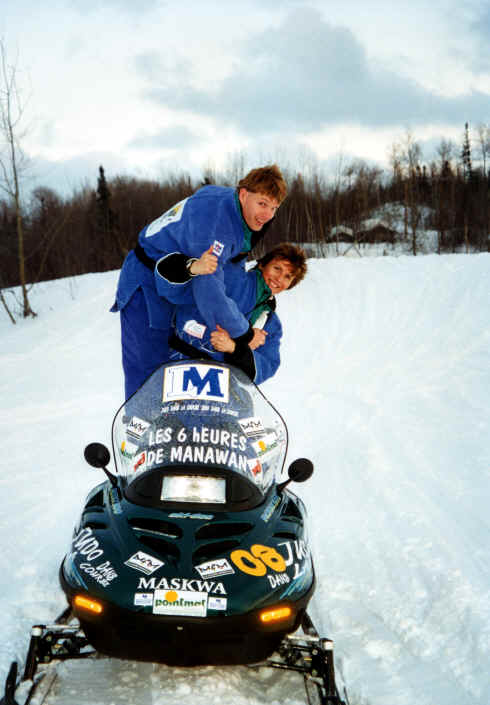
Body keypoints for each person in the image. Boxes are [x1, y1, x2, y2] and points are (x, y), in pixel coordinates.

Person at [111, 165, 288, 399]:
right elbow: (209, 290)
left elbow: (228, 266)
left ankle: (174, 425)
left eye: (274, 208)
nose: (267, 215)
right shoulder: (217, 222)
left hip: (182, 280)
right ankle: (138, 429)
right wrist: (244, 335)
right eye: (262, 203)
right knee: (150, 363)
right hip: (148, 278)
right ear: (244, 194)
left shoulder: (236, 209)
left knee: (177, 360)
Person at [166, 243, 307, 384]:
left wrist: (234, 348)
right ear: (262, 264)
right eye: (277, 268)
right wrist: (241, 337)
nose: (279, 279)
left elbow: (268, 365)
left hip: (222, 385)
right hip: (179, 366)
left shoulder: (270, 322)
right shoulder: (232, 277)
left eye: (288, 276)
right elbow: (195, 307)